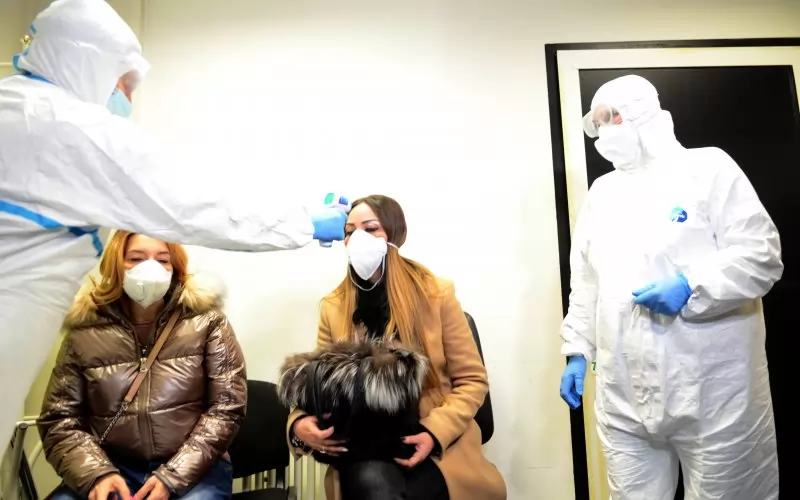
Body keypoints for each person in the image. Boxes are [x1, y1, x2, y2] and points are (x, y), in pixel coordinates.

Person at [0, 0, 346, 446]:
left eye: (162, 257)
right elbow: (195, 202)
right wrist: (304, 222)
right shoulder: (67, 127)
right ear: (88, 64)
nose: (125, 100)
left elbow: (225, 410)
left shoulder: (16, 108)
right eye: (122, 85)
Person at [559, 74, 783, 499]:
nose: (604, 130)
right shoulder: (602, 193)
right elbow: (586, 282)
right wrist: (576, 349)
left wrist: (690, 285)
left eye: (612, 117)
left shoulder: (708, 168)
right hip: (623, 392)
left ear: (644, 114)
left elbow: (761, 255)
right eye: (598, 122)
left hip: (713, 391)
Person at [285, 195, 507, 500]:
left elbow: (472, 381)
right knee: (372, 484)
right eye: (349, 231)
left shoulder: (436, 294)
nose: (358, 239)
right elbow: (319, 385)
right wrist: (297, 424)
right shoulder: (333, 306)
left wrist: (434, 432)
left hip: (429, 444)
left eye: (370, 229)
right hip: (362, 447)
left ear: (394, 234)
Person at [38, 231, 246, 499]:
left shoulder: (206, 321)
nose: (151, 269)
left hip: (194, 468)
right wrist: (97, 475)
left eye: (163, 260)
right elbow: (59, 420)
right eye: (136, 259)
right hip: (112, 466)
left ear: (175, 267)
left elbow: (227, 408)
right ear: (115, 264)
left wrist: (172, 477)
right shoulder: (85, 329)